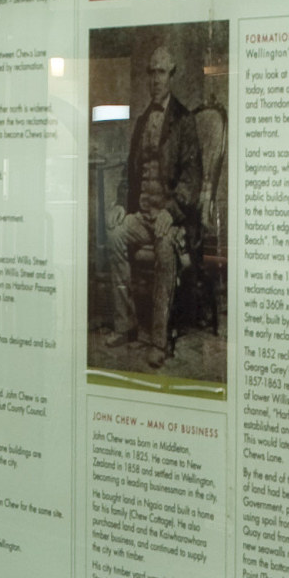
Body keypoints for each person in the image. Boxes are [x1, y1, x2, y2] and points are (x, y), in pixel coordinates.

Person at [122, 40, 197, 370]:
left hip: (171, 218)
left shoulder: (184, 121)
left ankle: (158, 339)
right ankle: (126, 325)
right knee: (113, 237)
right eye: (151, 72)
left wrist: (172, 211)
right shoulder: (141, 121)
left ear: (172, 76)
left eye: (162, 72)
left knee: (166, 249)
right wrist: (119, 205)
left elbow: (193, 178)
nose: (155, 79)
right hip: (143, 214)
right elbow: (129, 172)